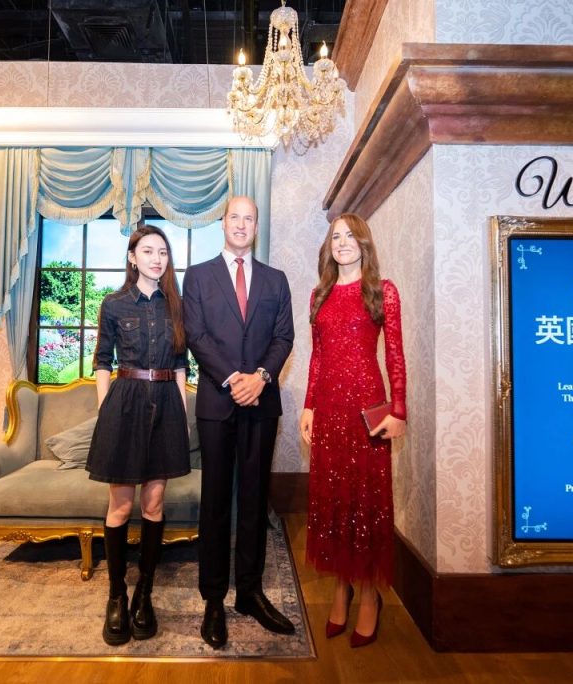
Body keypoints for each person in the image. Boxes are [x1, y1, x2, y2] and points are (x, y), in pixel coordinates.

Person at [182, 195, 295, 649]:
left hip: (261, 403)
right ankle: (213, 599)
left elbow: (283, 336)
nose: (242, 224)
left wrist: (261, 377)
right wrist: (234, 379)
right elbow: (196, 336)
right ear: (223, 223)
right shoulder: (198, 276)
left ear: (256, 227)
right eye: (235, 217)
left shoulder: (275, 279)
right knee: (214, 503)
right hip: (217, 402)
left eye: (250, 218)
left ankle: (249, 592)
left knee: (254, 501)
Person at [299, 213, 407, 649]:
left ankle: (367, 594)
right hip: (328, 410)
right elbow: (317, 358)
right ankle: (340, 587)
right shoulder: (319, 294)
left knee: (366, 502)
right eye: (335, 237)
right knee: (334, 500)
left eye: (350, 236)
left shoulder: (383, 291)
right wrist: (308, 406)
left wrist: (399, 410)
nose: (342, 242)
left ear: (364, 243)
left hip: (367, 411)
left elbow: (395, 355)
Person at [86, 225, 191, 646]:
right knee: (120, 506)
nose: (156, 258)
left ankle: (144, 594)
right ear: (132, 257)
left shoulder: (176, 306)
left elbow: (181, 364)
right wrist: (106, 411)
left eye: (162, 252)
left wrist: (182, 415)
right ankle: (116, 595)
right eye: (147, 251)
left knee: (154, 503)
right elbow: (102, 361)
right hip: (125, 404)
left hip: (166, 403)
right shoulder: (113, 304)